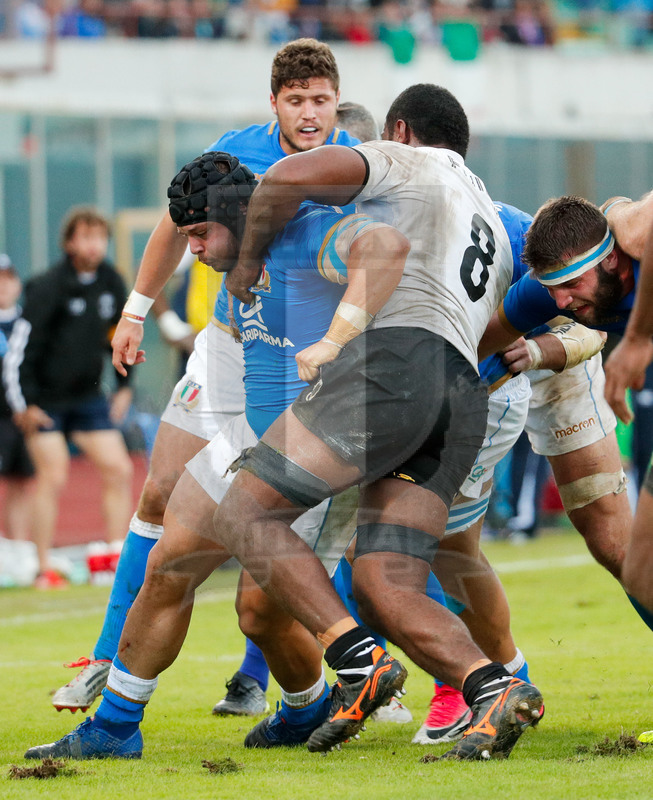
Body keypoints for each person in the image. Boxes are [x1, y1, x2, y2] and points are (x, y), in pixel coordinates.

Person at [25, 148, 411, 760]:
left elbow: (387, 246)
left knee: (260, 613)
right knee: (168, 565)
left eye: (202, 233)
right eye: (188, 236)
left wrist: (339, 339)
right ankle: (117, 726)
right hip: (250, 438)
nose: (195, 248)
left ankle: (339, 695)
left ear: (241, 214)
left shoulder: (310, 231)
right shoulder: (230, 267)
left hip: (318, 443)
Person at [48, 37, 361, 713]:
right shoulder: (237, 150)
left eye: (320, 99)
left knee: (281, 540)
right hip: (228, 340)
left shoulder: (358, 168)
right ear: (273, 103)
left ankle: (288, 679)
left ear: (336, 100)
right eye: (296, 100)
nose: (309, 113)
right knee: (158, 490)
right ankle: (108, 658)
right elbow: (174, 224)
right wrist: (134, 311)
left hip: (309, 370)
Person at [478, 194, 653, 633]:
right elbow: (476, 348)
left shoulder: (630, 232)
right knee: (640, 571)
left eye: (571, 283)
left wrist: (633, 342)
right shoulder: (548, 293)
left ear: (612, 260)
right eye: (552, 287)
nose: (560, 301)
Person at [3, 208, 134, 588]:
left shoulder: (111, 281)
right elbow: (20, 352)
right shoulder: (46, 286)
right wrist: (23, 404)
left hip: (87, 398)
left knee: (120, 469)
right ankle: (43, 568)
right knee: (54, 473)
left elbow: (122, 336)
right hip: (45, 402)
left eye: (100, 237)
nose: (95, 245)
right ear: (70, 243)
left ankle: (113, 558)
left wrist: (124, 387)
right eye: (86, 237)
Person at [0, 255, 35, 545]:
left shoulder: (29, 323)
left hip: (20, 418)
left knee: (21, 482)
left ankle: (20, 546)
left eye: (8, 277)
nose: (3, 285)